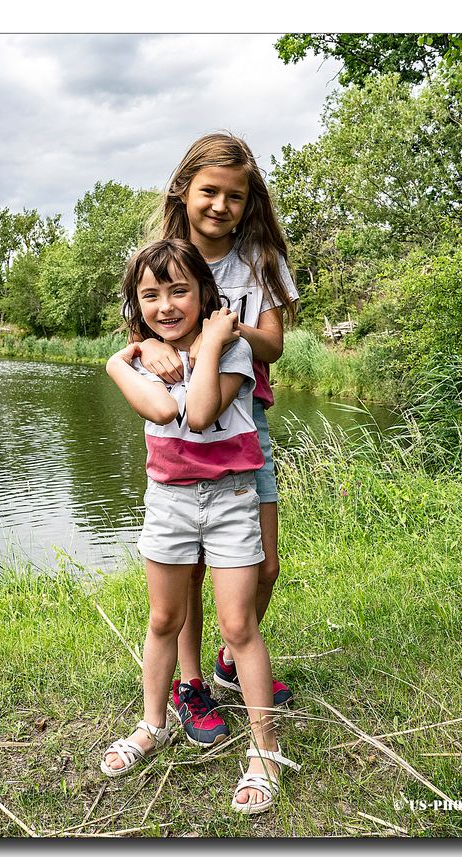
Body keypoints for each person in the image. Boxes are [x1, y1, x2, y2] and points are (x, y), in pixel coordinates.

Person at [101, 238, 298, 814]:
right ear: (137, 309)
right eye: (150, 296)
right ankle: (152, 724)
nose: (166, 305)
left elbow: (204, 410)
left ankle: (264, 751)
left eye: (180, 290)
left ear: (206, 295)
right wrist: (122, 360)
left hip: (232, 496)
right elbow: (163, 411)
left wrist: (210, 344)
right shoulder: (135, 359)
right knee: (164, 616)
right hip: (169, 501)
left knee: (239, 625)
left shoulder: (234, 351)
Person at [136, 133, 300, 745]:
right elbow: (145, 328)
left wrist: (225, 333)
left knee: (261, 563)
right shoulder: (163, 256)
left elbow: (274, 344)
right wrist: (156, 346)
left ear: (248, 200)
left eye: (235, 195)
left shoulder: (259, 259)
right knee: (189, 567)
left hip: (246, 420)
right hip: (182, 424)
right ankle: (192, 684)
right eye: (209, 191)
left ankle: (236, 655)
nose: (220, 205)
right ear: (185, 191)